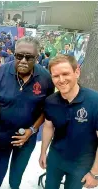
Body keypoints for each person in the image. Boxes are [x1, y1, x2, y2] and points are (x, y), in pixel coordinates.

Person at [0, 36, 55, 189]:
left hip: (27, 139)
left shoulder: (46, 78)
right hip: (1, 137)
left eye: (29, 57)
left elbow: (46, 110)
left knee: (16, 176)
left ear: (37, 57)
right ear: (14, 54)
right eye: (19, 56)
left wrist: (32, 130)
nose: (23, 60)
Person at [39, 55, 98, 189]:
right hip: (55, 158)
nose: (61, 80)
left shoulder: (95, 101)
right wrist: (43, 152)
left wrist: (95, 173)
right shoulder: (50, 101)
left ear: (77, 72)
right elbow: (48, 126)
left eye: (65, 74)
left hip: (82, 162)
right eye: (55, 76)